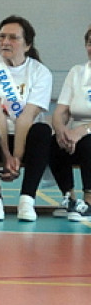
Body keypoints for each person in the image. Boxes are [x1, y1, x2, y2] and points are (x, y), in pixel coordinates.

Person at [0, 16, 52, 222]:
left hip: (25, 138)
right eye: (2, 37)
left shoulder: (40, 72)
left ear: (27, 45)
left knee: (43, 131)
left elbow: (27, 117)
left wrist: (16, 156)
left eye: (13, 38)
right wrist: (6, 155)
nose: (5, 42)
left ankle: (27, 200)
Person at [48, 24, 91, 222]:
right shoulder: (77, 72)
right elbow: (61, 111)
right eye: (90, 43)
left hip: (85, 134)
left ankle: (89, 201)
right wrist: (61, 130)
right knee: (53, 143)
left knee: (88, 144)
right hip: (75, 134)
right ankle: (70, 198)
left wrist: (83, 130)